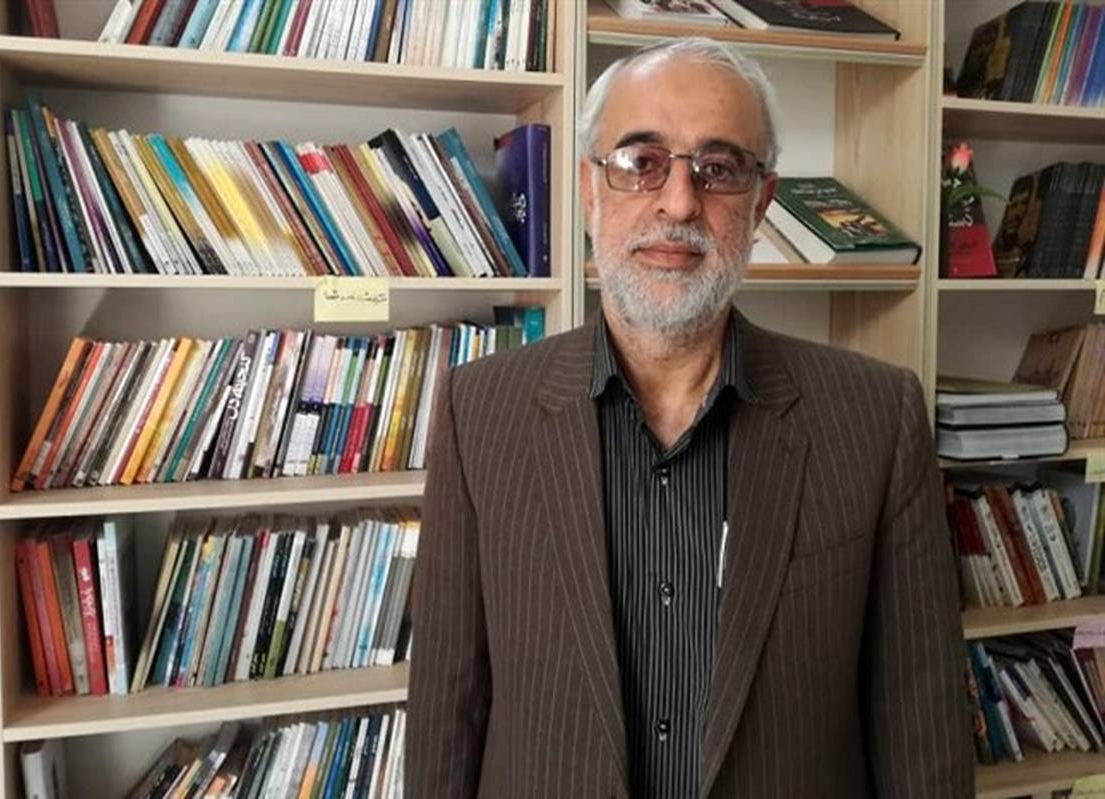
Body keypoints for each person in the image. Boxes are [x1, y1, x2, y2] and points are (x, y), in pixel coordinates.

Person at [406, 37, 972, 798]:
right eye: (640, 161)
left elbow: (922, 726)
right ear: (590, 189)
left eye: (719, 168)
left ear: (761, 202)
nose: (678, 203)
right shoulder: (479, 411)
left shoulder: (876, 417)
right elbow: (447, 713)